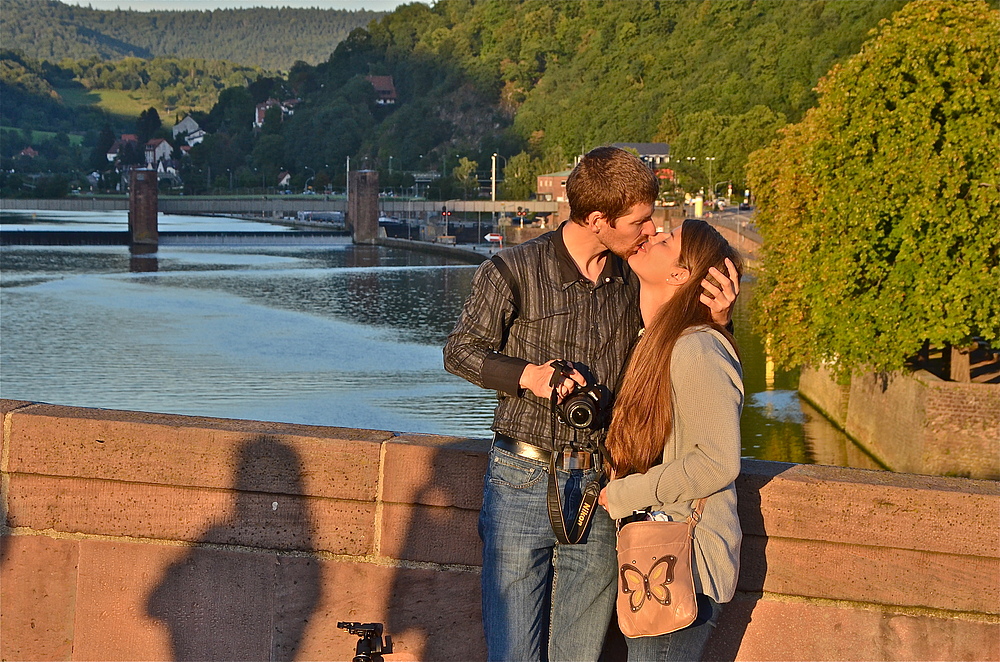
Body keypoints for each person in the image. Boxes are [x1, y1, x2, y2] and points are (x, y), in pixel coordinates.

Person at [443, 146, 738, 661]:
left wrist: (718, 319)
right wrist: (530, 377)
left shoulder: (633, 277)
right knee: (513, 654)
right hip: (521, 475)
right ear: (599, 220)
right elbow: (460, 353)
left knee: (576, 655)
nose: (650, 231)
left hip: (602, 486)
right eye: (641, 221)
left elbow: (679, 348)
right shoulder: (512, 270)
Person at [599, 219, 745, 661]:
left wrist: (625, 493)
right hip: (654, 557)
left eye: (667, 240)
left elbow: (719, 461)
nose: (653, 235)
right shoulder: (658, 340)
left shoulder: (697, 347)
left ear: (682, 274)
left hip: (683, 567)